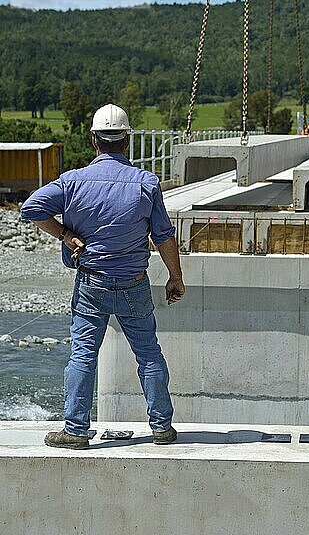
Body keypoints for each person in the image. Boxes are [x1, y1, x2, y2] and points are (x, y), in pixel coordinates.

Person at [21, 103, 185, 450]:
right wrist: (175, 277)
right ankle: (162, 428)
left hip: (91, 282)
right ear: (127, 140)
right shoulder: (146, 183)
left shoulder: (73, 181)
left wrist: (65, 234)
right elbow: (164, 235)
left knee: (83, 354)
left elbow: (31, 208)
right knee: (149, 355)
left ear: (94, 139)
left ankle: (76, 431)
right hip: (134, 283)